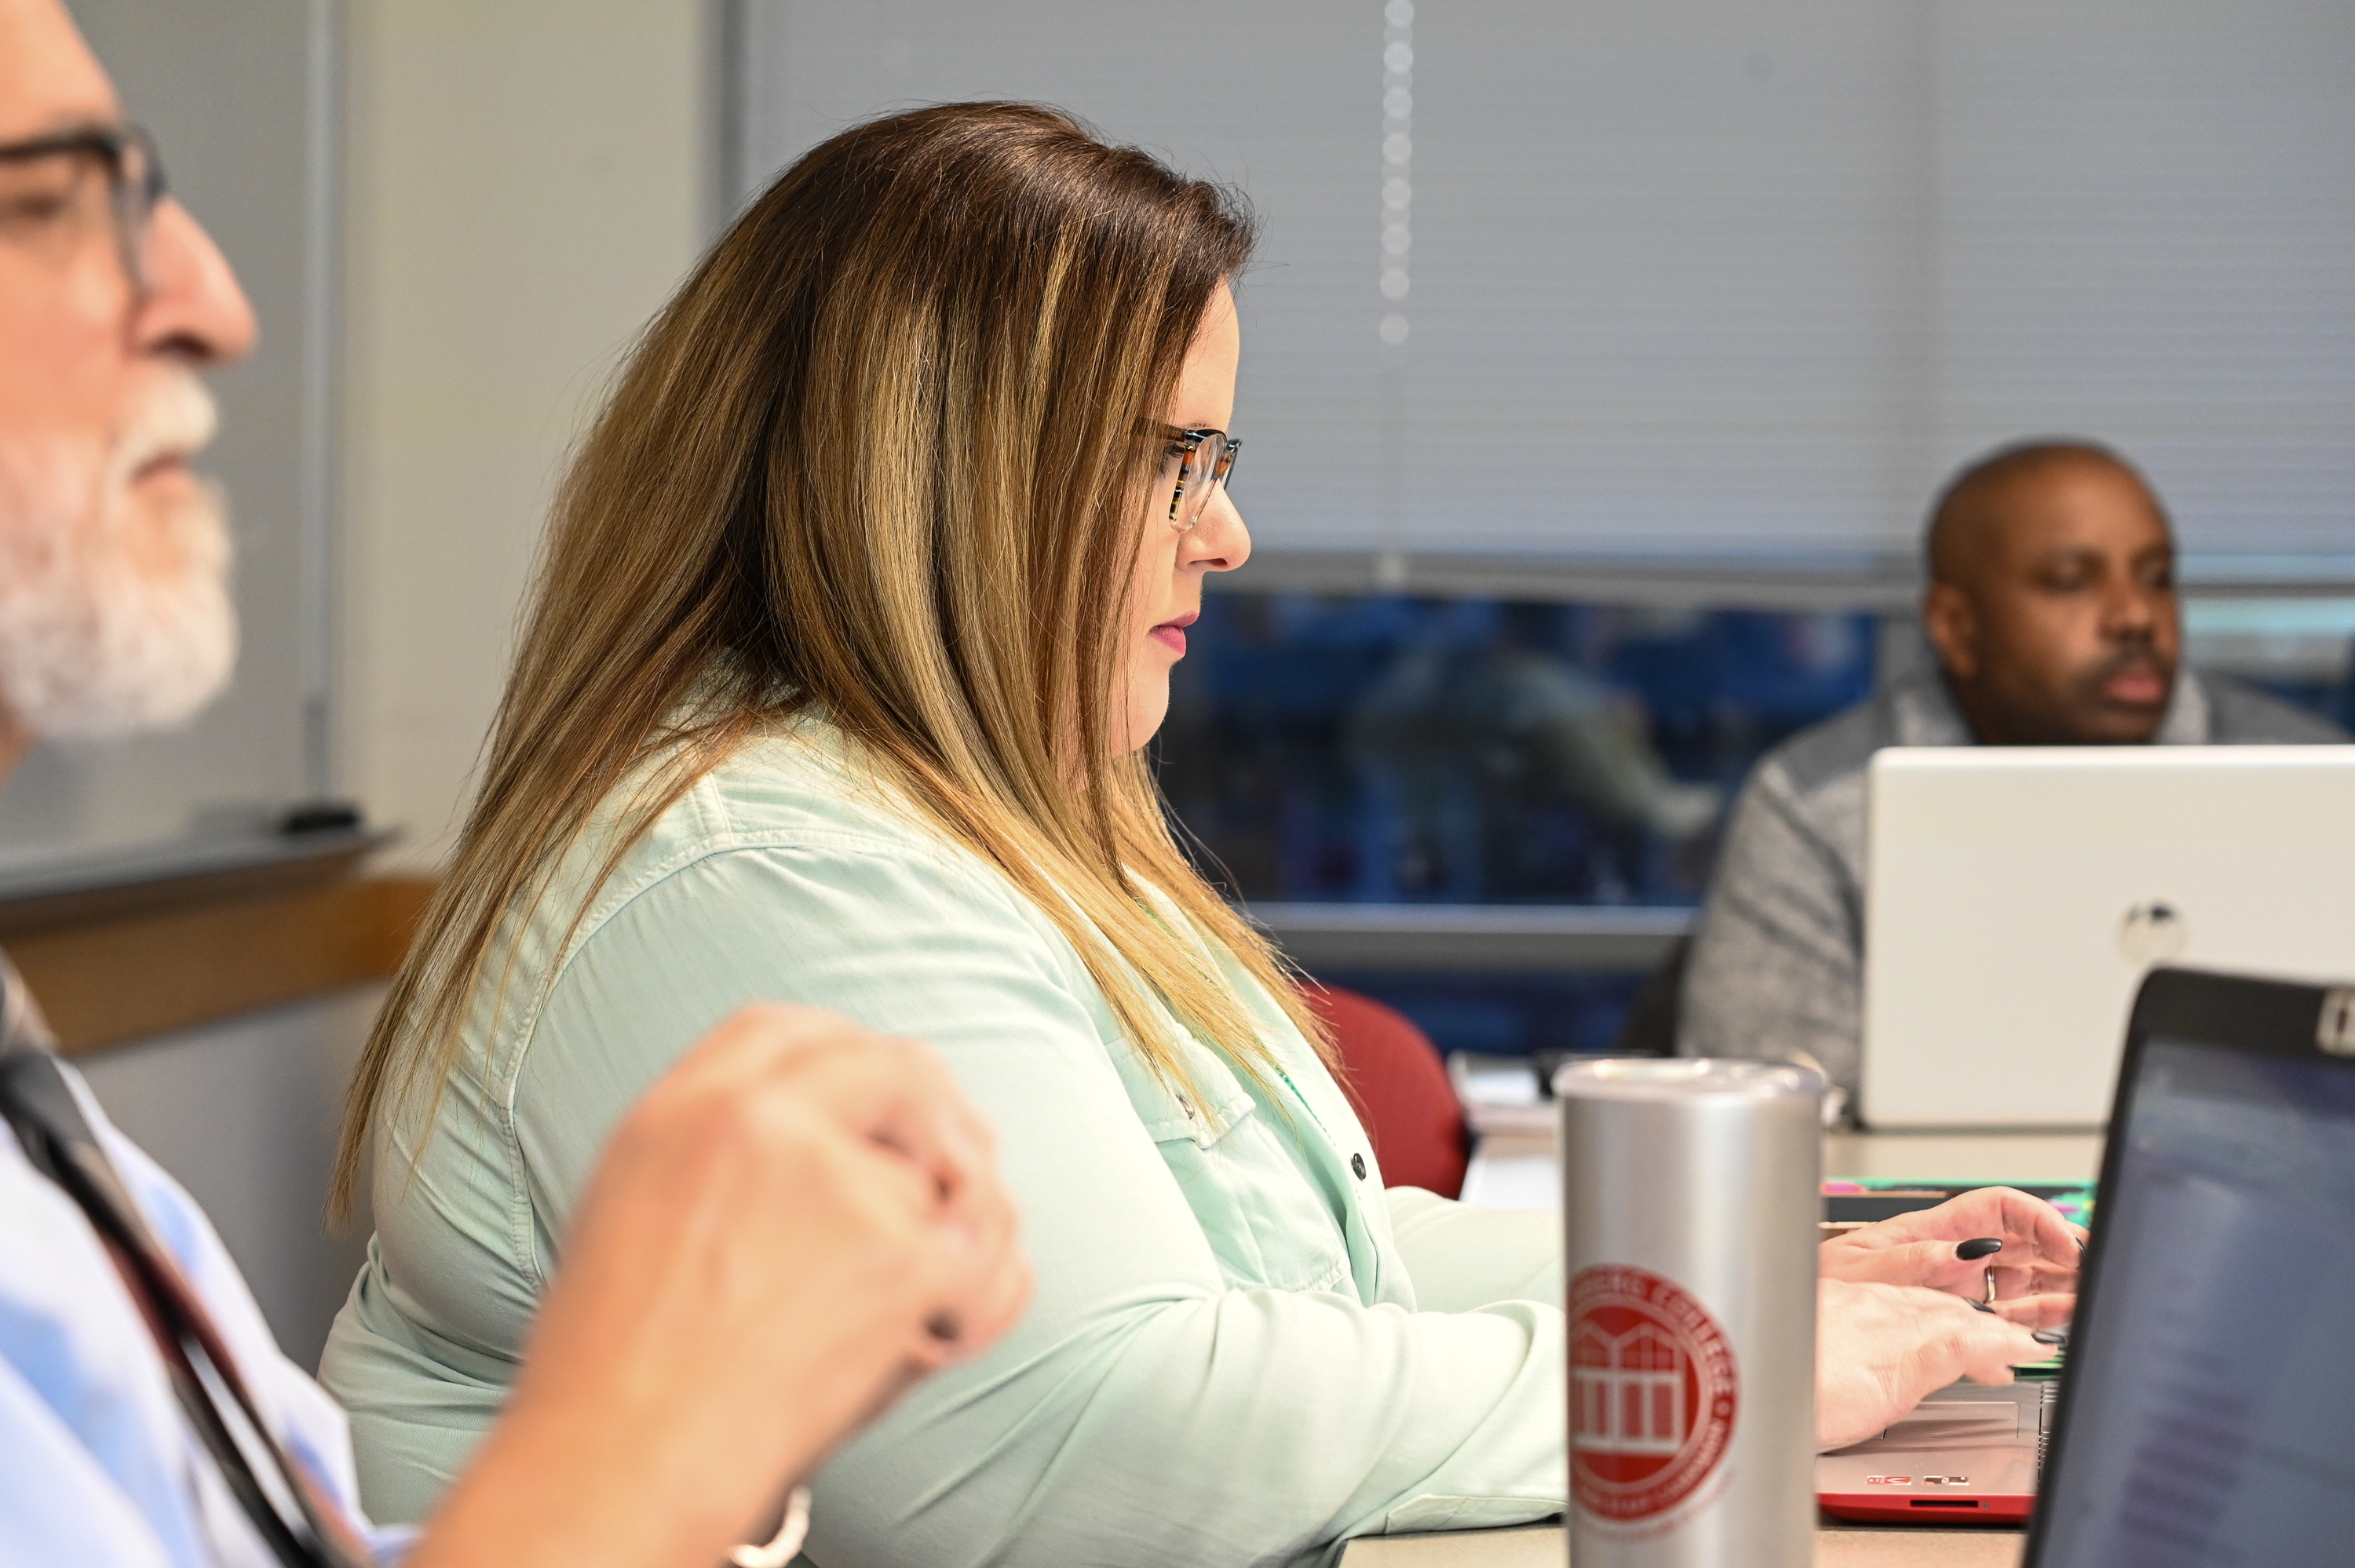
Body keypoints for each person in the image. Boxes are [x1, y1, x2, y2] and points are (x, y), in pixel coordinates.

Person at [320, 103, 2076, 1566]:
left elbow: (1308, 1263)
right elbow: (1104, 1431)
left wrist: (1744, 1278)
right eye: (1174, 459)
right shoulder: (766, 868)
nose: (1227, 535)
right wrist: (1731, 1371)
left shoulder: (955, 812)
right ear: (952, 480)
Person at [0, 5, 1028, 1564]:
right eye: (53, 198)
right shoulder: (736, 854)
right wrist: (645, 1438)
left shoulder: (45, 1133)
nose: (214, 300)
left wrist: (708, 1439)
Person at [1679, 439, 2347, 1100]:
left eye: (2156, 577)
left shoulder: (2326, 782)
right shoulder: (1818, 800)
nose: (2135, 617)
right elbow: (1764, 1111)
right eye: (2070, 582)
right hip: (1938, 1202)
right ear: (1956, 626)